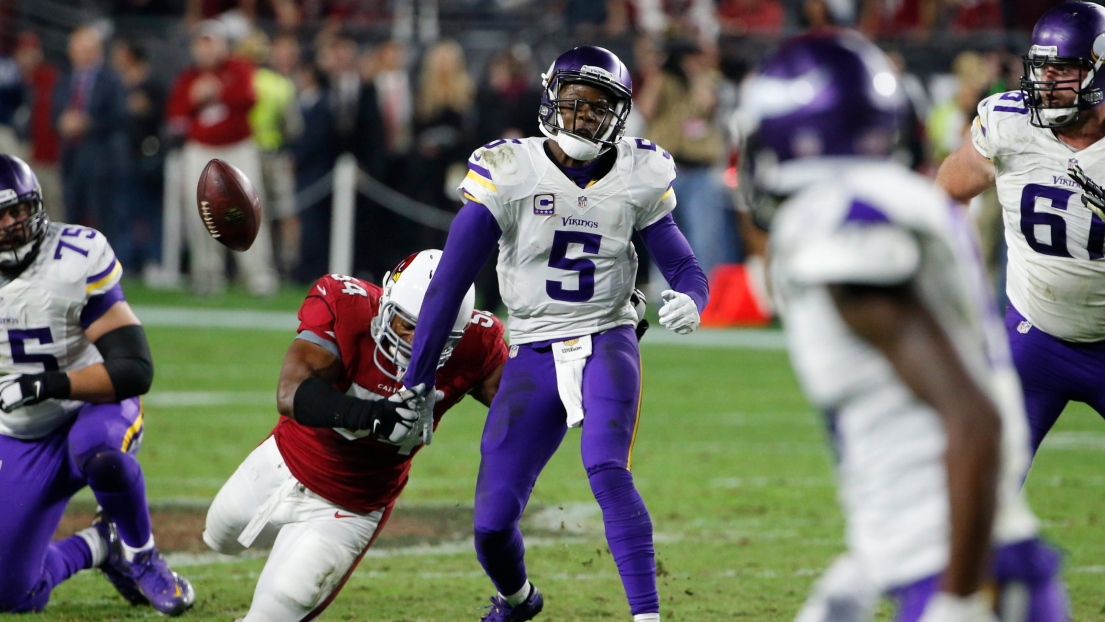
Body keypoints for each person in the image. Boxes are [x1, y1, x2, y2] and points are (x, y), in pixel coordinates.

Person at [736, 30, 1067, 621]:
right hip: (960, 555)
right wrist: (873, 558)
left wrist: (956, 599)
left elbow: (973, 418)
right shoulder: (895, 197)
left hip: (960, 572)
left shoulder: (838, 220)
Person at [400, 46, 709, 622]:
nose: (585, 118)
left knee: (607, 468)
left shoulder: (640, 172)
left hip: (608, 335)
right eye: (574, 104)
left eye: (599, 108)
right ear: (551, 100)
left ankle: (648, 617)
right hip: (532, 348)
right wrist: (417, 380)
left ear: (619, 115)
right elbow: (449, 283)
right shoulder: (510, 170)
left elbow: (687, 268)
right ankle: (519, 602)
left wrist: (692, 299)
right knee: (491, 525)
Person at [202, 251, 508, 621]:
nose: (415, 342)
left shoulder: (478, 344)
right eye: (406, 325)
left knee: (282, 605)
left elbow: (523, 406)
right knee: (218, 535)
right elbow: (290, 392)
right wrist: (375, 415)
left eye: (433, 334)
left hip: (350, 507)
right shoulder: (347, 305)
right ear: (386, 300)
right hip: (284, 463)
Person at [0, 155, 194, 615]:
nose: (12, 224)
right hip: (21, 433)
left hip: (92, 406)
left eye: (20, 210)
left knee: (102, 454)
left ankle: (143, 556)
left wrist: (46, 384)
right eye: (0, 215)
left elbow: (134, 367)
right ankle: (99, 545)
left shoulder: (73, 256)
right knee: (11, 593)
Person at [935, 1, 1105, 461]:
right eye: (1041, 70)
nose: (1046, 84)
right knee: (982, 480)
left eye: (1063, 71)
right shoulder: (1009, 124)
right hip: (1035, 336)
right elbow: (946, 194)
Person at [166, 19, 278, 296]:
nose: (205, 51)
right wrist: (194, 98)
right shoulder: (188, 77)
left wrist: (218, 91)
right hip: (201, 148)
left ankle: (257, 274)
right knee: (201, 212)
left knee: (247, 209)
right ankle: (206, 274)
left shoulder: (238, 69)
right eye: (201, 44)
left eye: (210, 43)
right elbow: (175, 116)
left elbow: (249, 99)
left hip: (238, 147)